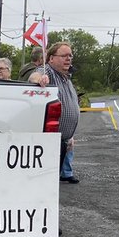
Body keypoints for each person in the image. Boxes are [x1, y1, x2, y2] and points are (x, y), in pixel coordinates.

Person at [30, 42, 80, 183]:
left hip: (64, 141)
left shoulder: (66, 77)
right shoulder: (49, 72)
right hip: (50, 142)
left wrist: (70, 136)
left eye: (70, 55)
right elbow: (35, 75)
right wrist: (40, 79)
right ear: (51, 58)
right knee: (46, 183)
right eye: (64, 55)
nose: (68, 59)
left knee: (53, 183)